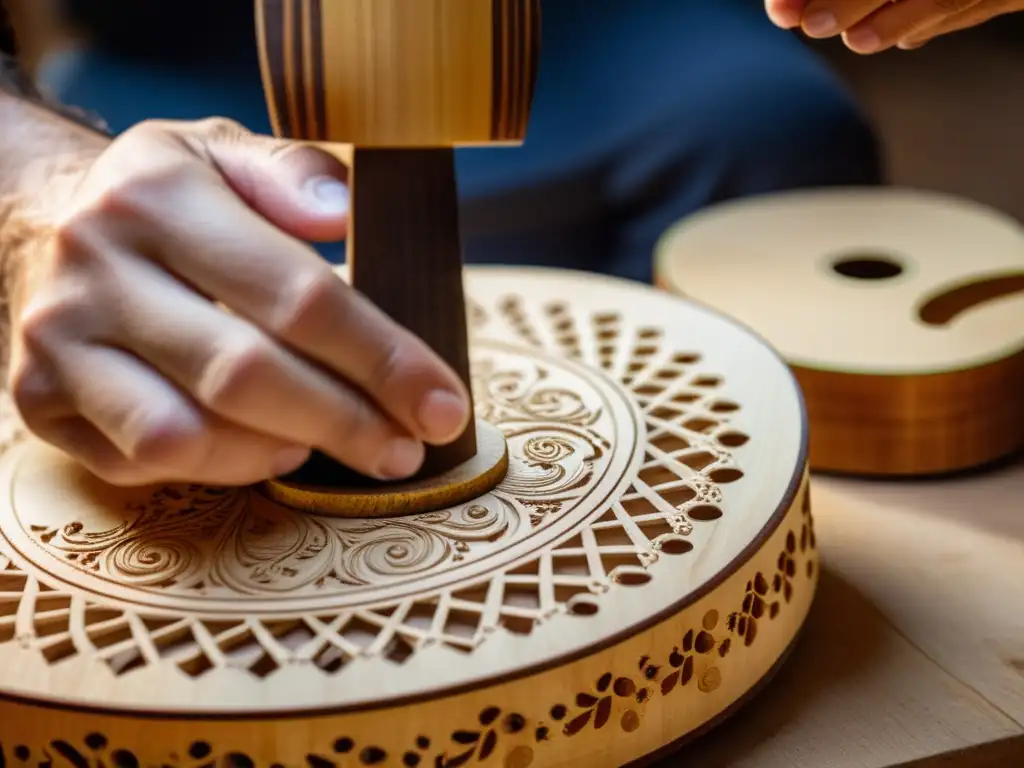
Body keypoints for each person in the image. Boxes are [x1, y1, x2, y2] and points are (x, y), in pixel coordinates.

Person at [0, 0, 890, 489]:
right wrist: (38, 187)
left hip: (609, 18)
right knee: (217, 293)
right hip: (194, 34)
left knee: (782, 141)